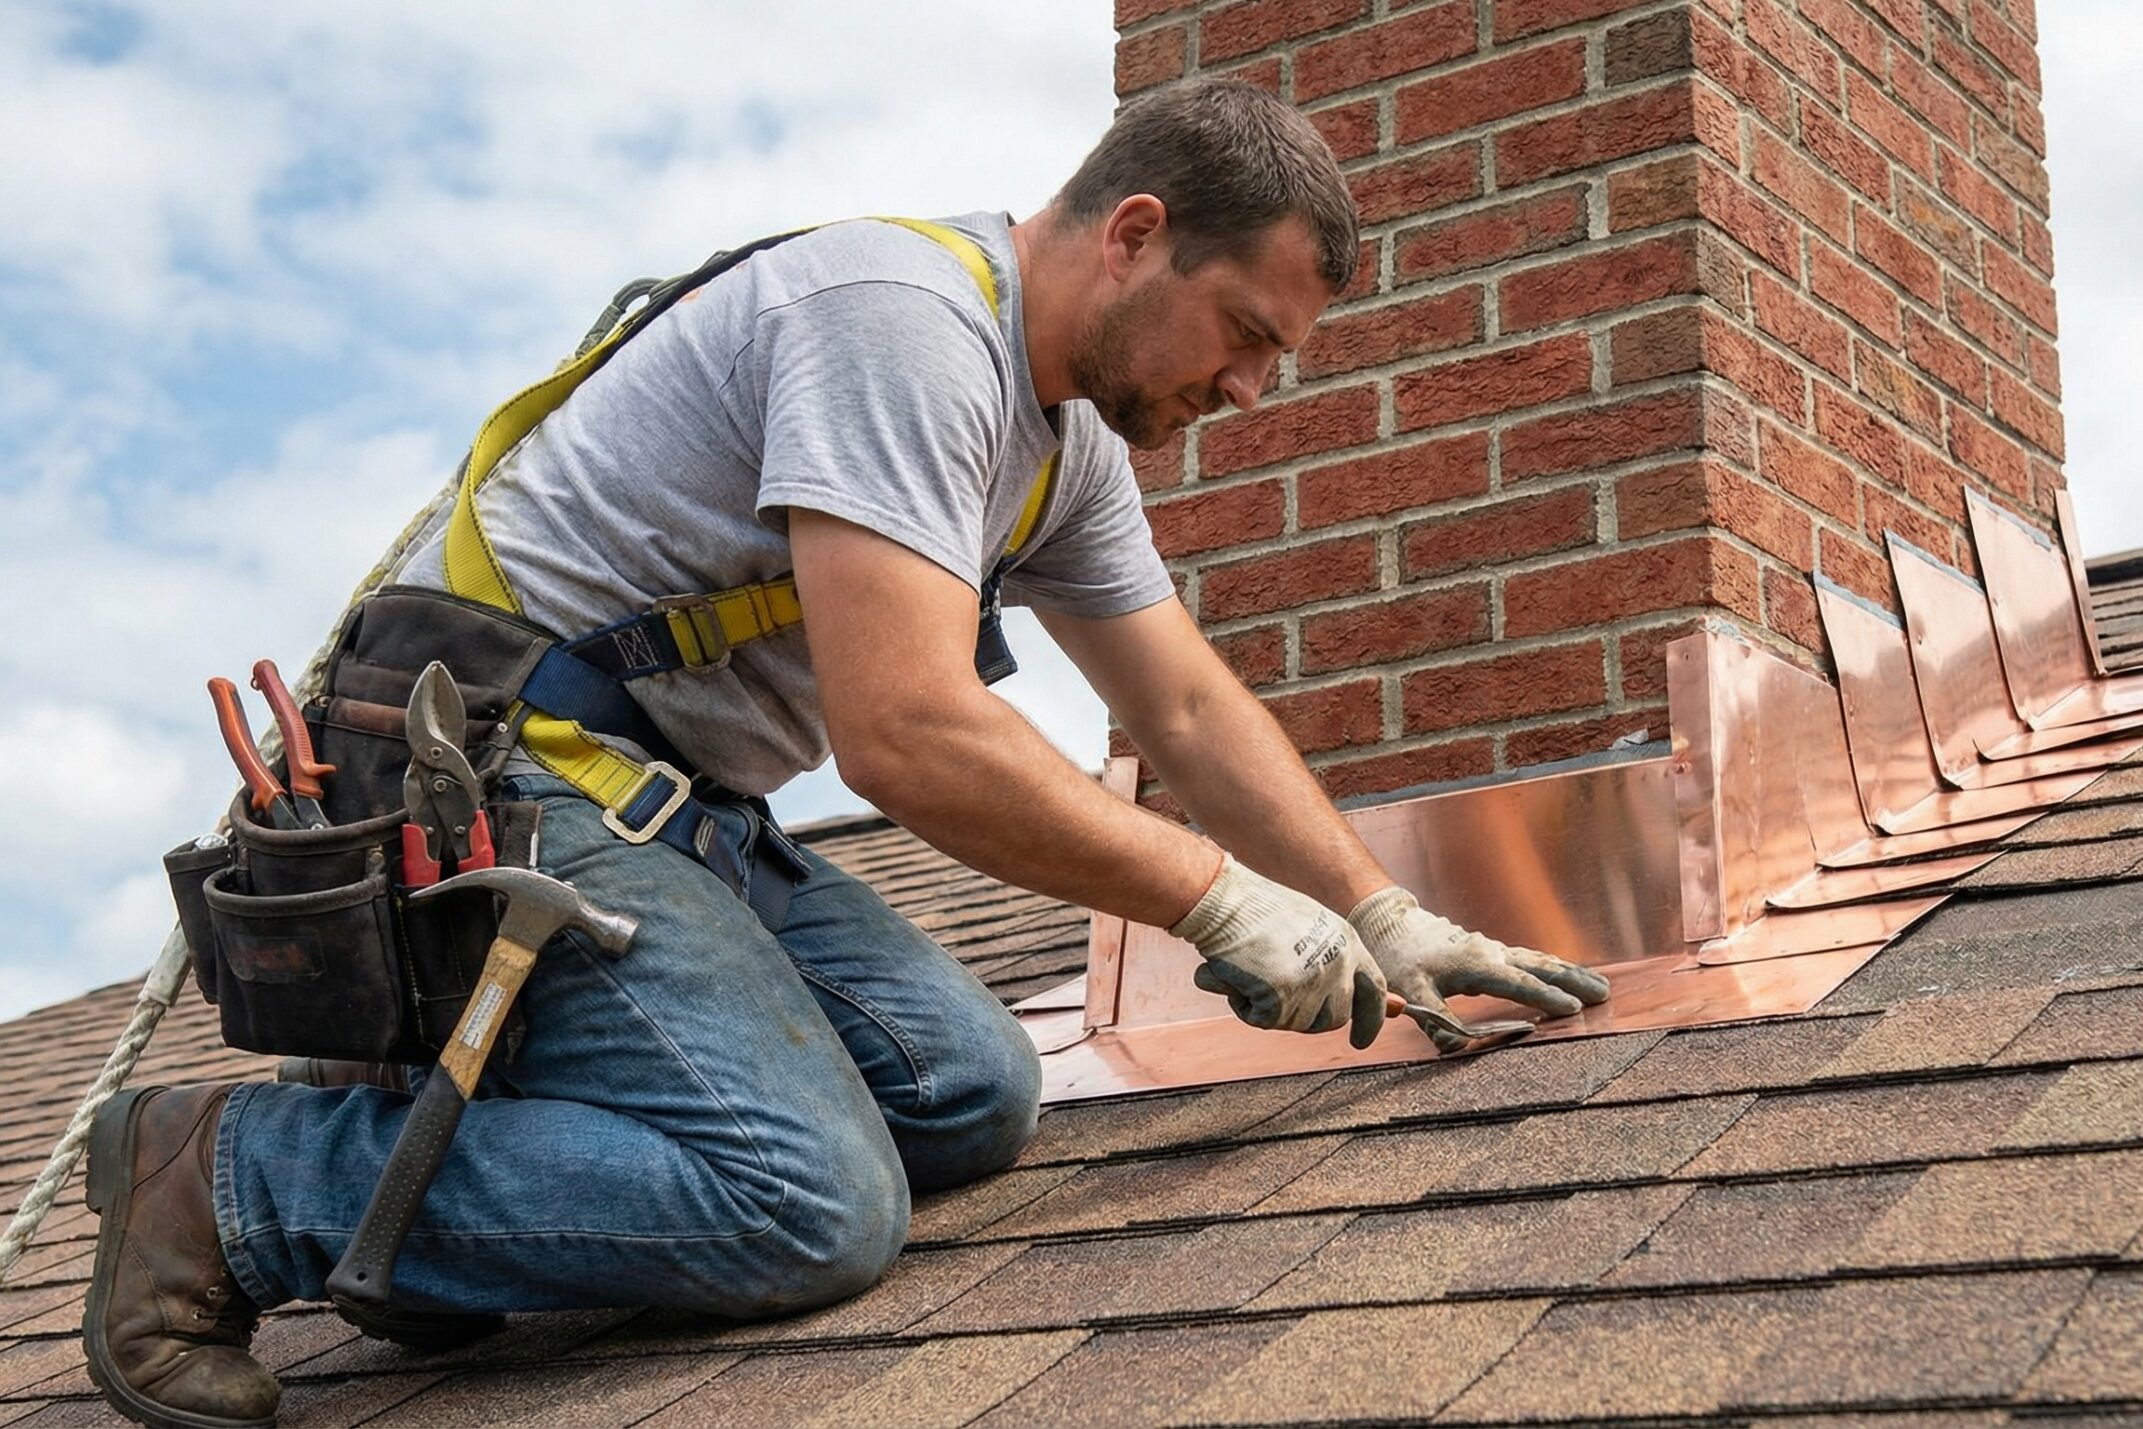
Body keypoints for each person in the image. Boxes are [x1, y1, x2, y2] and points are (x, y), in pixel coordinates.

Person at [80, 78, 1610, 1428]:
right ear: (1136, 233)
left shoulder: (1066, 449)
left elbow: (1190, 710)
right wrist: (1213, 898)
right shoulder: (905, 327)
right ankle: (239, 1178)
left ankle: (448, 1164)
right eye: (1249, 336)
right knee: (807, 1200)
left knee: (969, 1088)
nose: (1251, 391)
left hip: (677, 806)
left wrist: (1374, 905)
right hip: (506, 772)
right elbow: (907, 732)